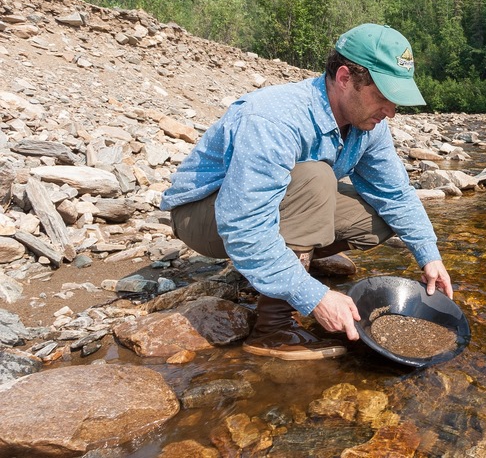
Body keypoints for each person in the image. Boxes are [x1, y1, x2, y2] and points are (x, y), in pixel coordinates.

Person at [160, 23, 453, 360]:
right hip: (202, 217)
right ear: (345, 79)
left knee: (380, 218)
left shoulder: (369, 126)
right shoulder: (275, 118)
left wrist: (429, 256)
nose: (390, 112)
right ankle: (272, 330)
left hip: (260, 211)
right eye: (384, 97)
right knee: (317, 177)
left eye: (396, 101)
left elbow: (396, 194)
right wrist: (313, 297)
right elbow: (241, 225)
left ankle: (281, 263)